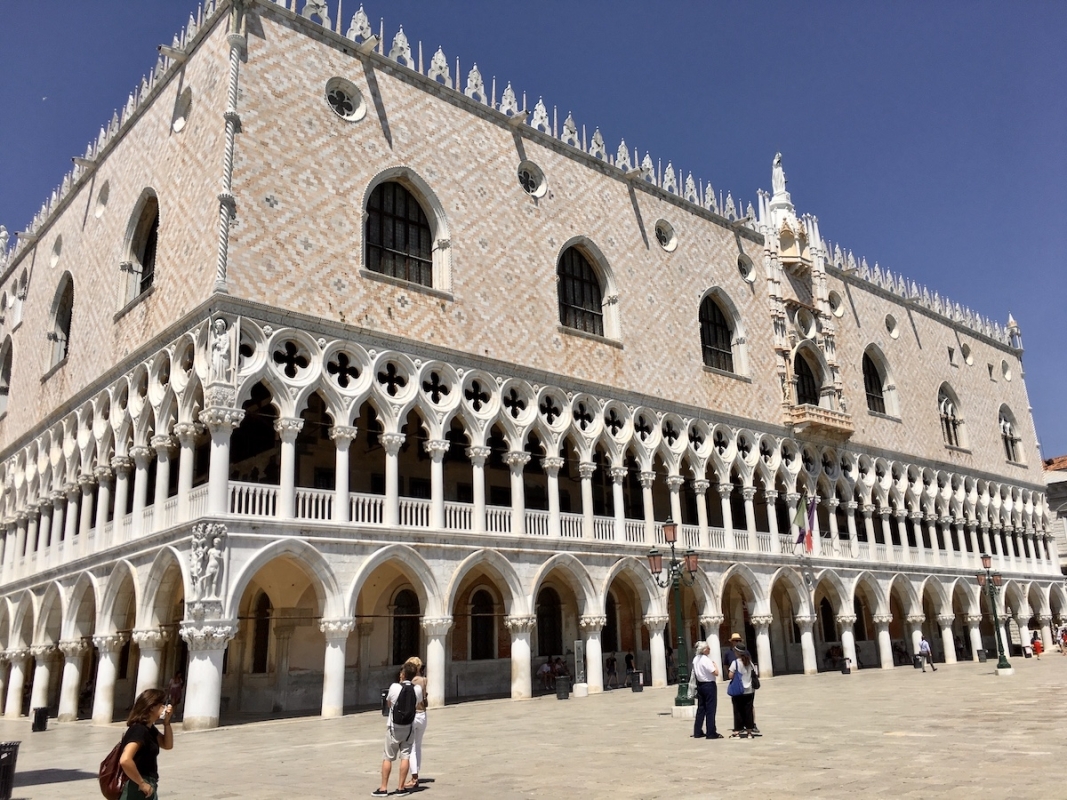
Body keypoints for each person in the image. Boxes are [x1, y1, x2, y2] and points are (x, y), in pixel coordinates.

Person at [373, 661, 423, 797]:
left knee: (388, 757)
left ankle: (383, 788)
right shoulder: (417, 689)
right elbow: (417, 702)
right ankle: (401, 788)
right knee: (405, 756)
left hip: (393, 727)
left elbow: (389, 703)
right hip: (408, 728)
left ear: (403, 674)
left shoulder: (394, 687)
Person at [119, 688, 174, 799]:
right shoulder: (139, 730)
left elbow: (167, 745)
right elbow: (125, 759)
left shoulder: (150, 729)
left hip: (146, 785)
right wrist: (142, 783)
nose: (164, 708)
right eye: (162, 705)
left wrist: (166, 723)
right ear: (152, 707)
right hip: (137, 786)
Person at [403, 657, 428, 791]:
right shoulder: (424, 680)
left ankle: (414, 777)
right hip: (423, 715)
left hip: (413, 715)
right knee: (417, 746)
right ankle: (416, 773)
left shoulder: (410, 682)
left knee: (411, 747)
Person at [691, 641, 722, 740]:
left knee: (701, 708)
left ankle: (697, 731)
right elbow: (715, 673)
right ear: (704, 650)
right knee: (710, 709)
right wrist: (715, 665)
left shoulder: (695, 659)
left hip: (700, 685)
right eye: (708, 648)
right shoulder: (706, 660)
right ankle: (711, 732)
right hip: (709, 685)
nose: (710, 649)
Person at [727, 645, 759, 738]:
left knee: (737, 711)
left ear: (737, 652)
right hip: (749, 690)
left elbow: (730, 676)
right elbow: (754, 674)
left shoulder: (735, 663)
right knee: (748, 711)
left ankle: (737, 731)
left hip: (738, 690)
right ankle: (749, 732)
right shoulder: (750, 662)